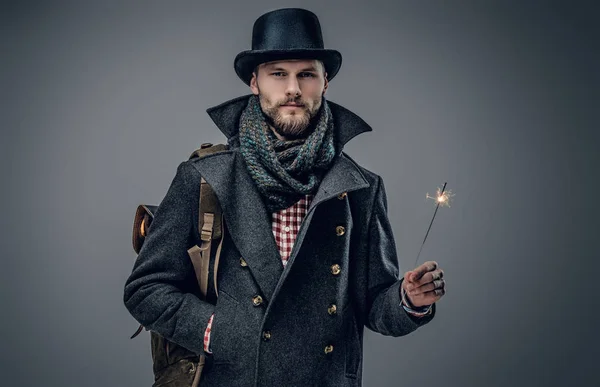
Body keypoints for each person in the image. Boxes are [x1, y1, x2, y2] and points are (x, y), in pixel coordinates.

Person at [123, 7, 446, 387]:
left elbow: (373, 304)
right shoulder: (203, 177)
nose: (293, 88)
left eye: (306, 74)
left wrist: (409, 299)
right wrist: (218, 330)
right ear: (254, 82)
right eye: (279, 74)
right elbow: (145, 290)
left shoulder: (360, 187)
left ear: (324, 83)